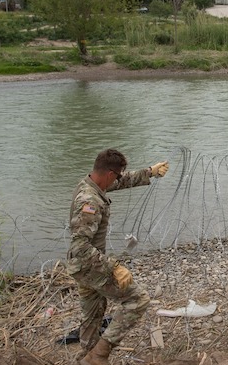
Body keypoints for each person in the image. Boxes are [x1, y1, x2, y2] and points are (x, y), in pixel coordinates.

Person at [67, 148, 169, 365]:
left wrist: (150, 171)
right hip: (90, 266)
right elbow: (80, 246)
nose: (119, 179)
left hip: (81, 268)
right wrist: (114, 267)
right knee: (137, 300)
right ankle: (100, 355)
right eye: (118, 175)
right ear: (110, 174)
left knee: (93, 316)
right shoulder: (90, 202)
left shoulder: (91, 183)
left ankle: (86, 357)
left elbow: (120, 182)